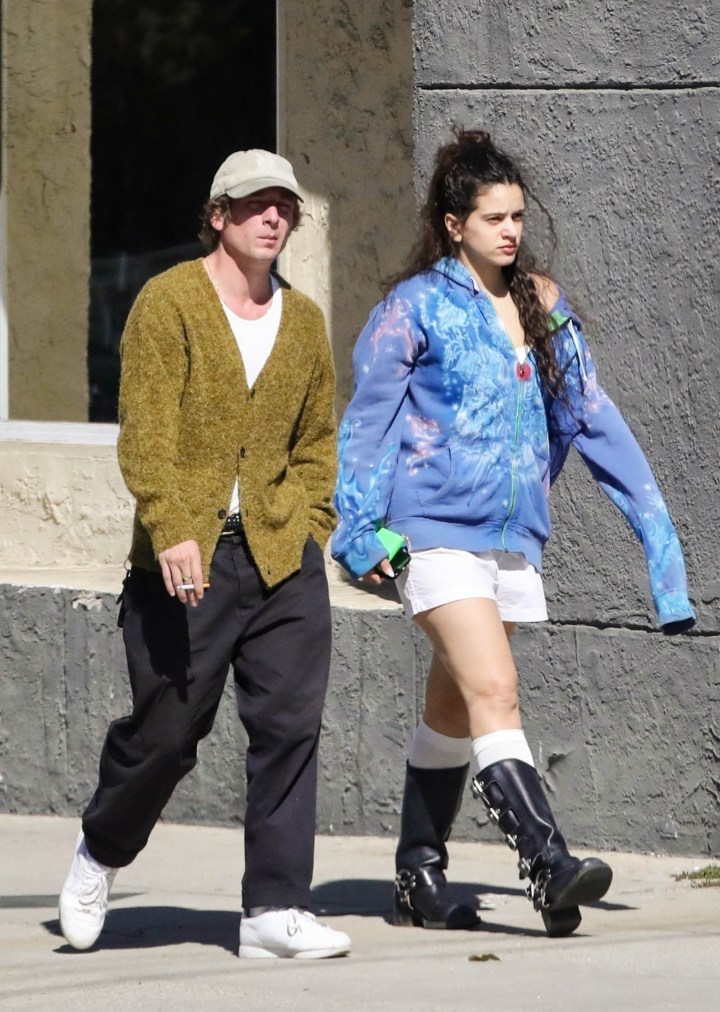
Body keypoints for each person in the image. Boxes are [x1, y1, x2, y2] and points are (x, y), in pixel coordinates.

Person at [331, 128, 695, 938]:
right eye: (492, 217)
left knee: (456, 710)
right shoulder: (411, 309)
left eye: (517, 216)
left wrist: (660, 548)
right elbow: (366, 430)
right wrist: (360, 534)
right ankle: (548, 863)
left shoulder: (543, 304)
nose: (509, 231)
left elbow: (596, 425)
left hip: (509, 540)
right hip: (429, 533)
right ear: (453, 223)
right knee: (494, 688)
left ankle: (417, 875)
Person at [59, 149, 351, 960]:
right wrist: (170, 525)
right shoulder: (169, 302)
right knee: (167, 734)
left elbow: (316, 441)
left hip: (280, 553)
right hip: (184, 561)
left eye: (284, 207)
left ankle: (272, 911)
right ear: (217, 215)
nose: (273, 218)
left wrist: (310, 524)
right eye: (255, 204)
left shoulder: (303, 322)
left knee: (290, 725)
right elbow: (145, 434)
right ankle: (102, 850)